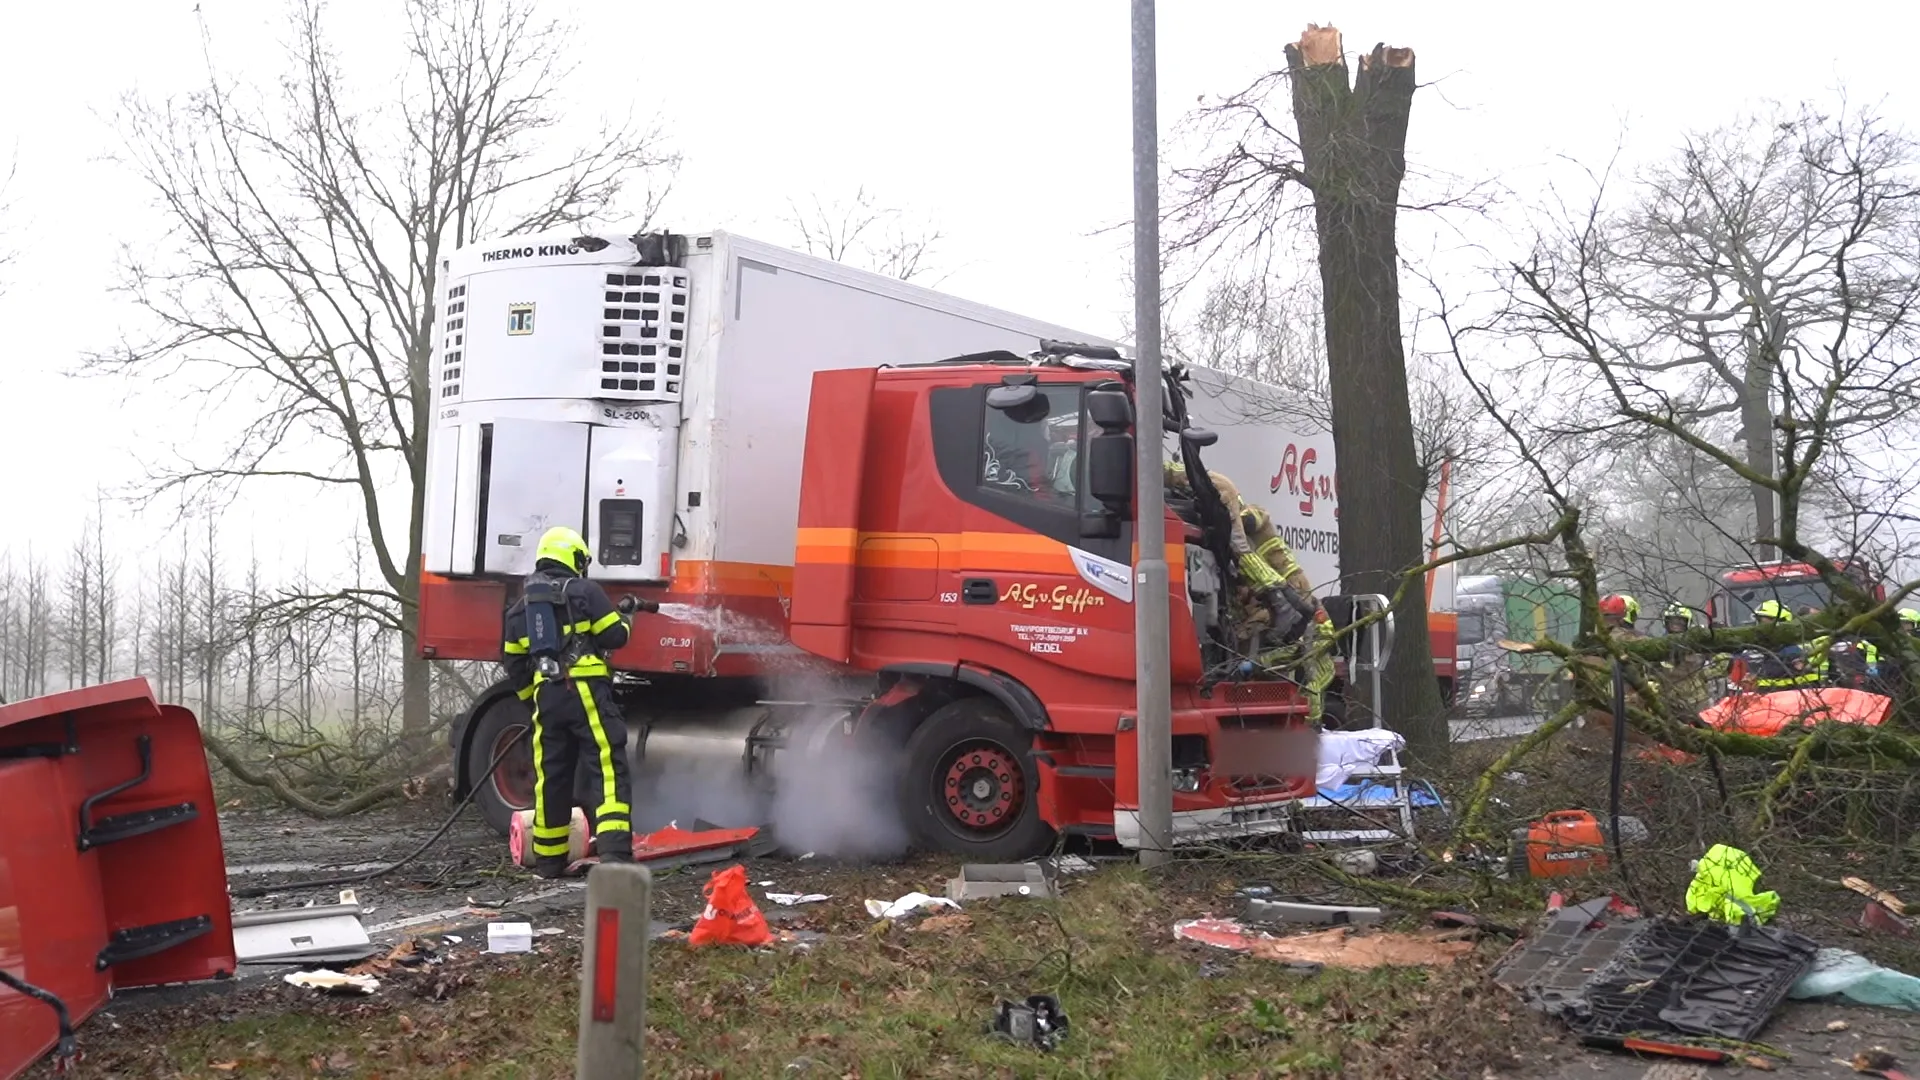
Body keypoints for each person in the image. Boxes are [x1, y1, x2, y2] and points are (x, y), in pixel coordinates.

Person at [501, 526, 654, 878]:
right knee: (607, 767)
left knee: (551, 776)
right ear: (572, 558)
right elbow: (614, 635)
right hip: (586, 693)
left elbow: (513, 663)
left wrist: (534, 700)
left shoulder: (520, 609)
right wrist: (627, 615)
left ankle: (550, 861)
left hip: (547, 699)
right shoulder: (585, 591)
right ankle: (615, 854)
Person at [1739, 600, 1820, 690]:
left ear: (1780, 624)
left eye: (1762, 622)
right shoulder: (1756, 652)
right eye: (1758, 622)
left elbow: (1808, 689)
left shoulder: (1792, 652)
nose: (1759, 628)